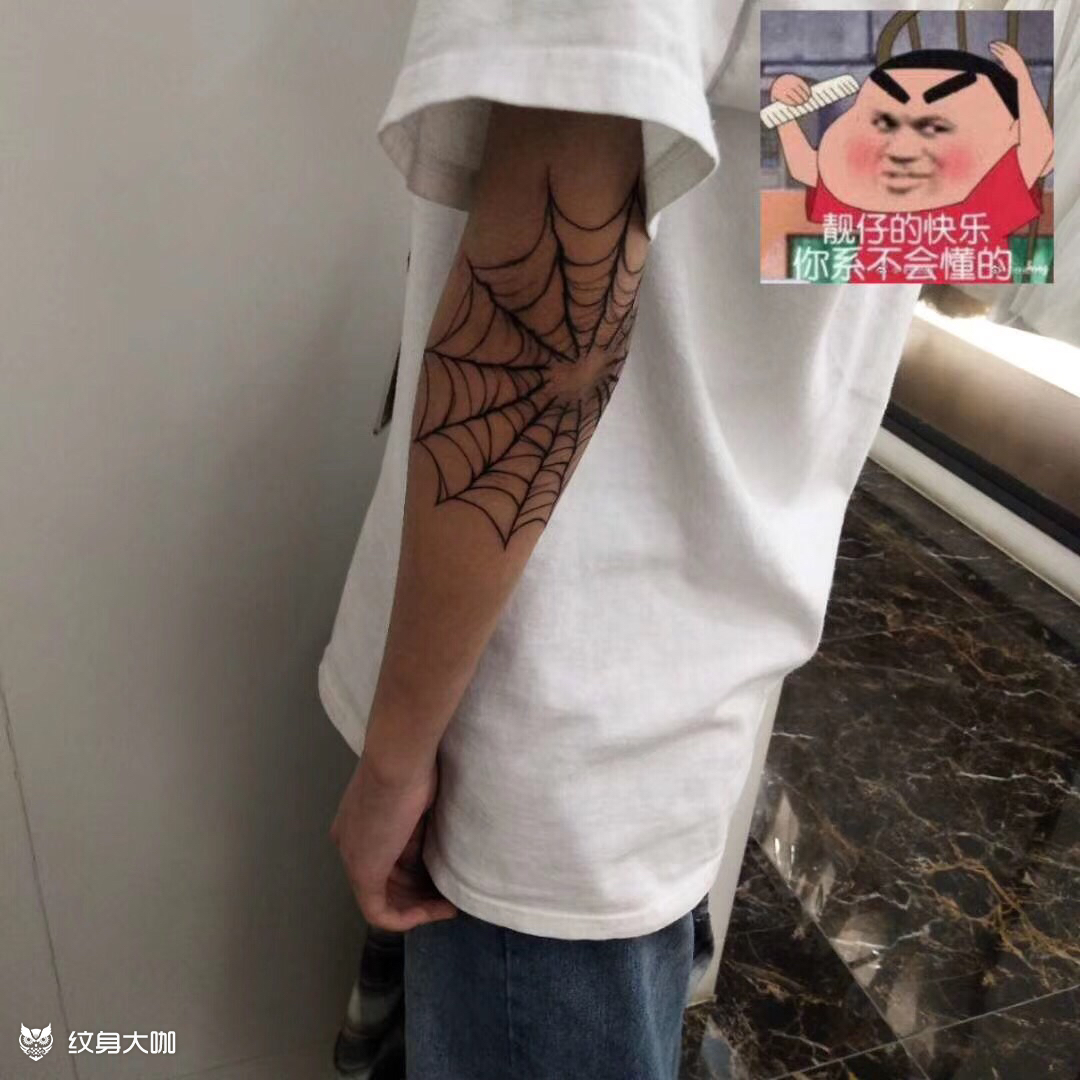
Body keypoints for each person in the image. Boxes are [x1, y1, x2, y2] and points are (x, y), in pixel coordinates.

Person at [321, 2, 967, 1077]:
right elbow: (949, 268)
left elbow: (542, 340)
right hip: (704, 699)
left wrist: (393, 756)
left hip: (535, 715)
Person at [773, 43, 1054, 282]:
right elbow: (805, 167)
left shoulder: (991, 188)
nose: (902, 149)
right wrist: (784, 110)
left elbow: (1039, 149)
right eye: (885, 122)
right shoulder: (867, 192)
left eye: (934, 127)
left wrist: (1023, 82)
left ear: (1011, 134)